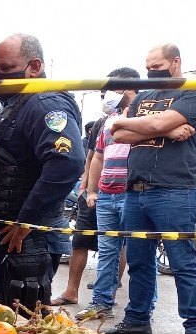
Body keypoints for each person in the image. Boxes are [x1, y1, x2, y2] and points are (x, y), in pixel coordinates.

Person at [0, 34, 85, 310]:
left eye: (5, 69)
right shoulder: (15, 105)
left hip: (25, 244)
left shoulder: (44, 103)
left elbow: (68, 162)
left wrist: (26, 221)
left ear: (34, 66)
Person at [106, 44, 196, 334]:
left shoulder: (194, 91)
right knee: (138, 260)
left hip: (175, 189)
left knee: (182, 263)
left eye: (157, 65)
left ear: (175, 62)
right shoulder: (142, 95)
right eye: (148, 65)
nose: (151, 71)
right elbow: (117, 134)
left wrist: (141, 125)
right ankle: (137, 319)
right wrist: (163, 126)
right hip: (136, 190)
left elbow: (142, 127)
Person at [77, 68, 141, 319]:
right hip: (106, 195)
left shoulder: (144, 114)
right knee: (107, 252)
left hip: (132, 194)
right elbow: (98, 157)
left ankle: (139, 311)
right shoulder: (107, 120)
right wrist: (92, 190)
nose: (108, 95)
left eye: (112, 89)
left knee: (138, 254)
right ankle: (101, 302)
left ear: (126, 89)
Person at [50, 118, 107, 306]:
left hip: (121, 191)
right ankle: (71, 292)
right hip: (92, 193)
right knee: (79, 241)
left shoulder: (137, 117)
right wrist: (85, 187)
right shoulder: (100, 123)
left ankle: (107, 299)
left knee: (114, 245)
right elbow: (91, 156)